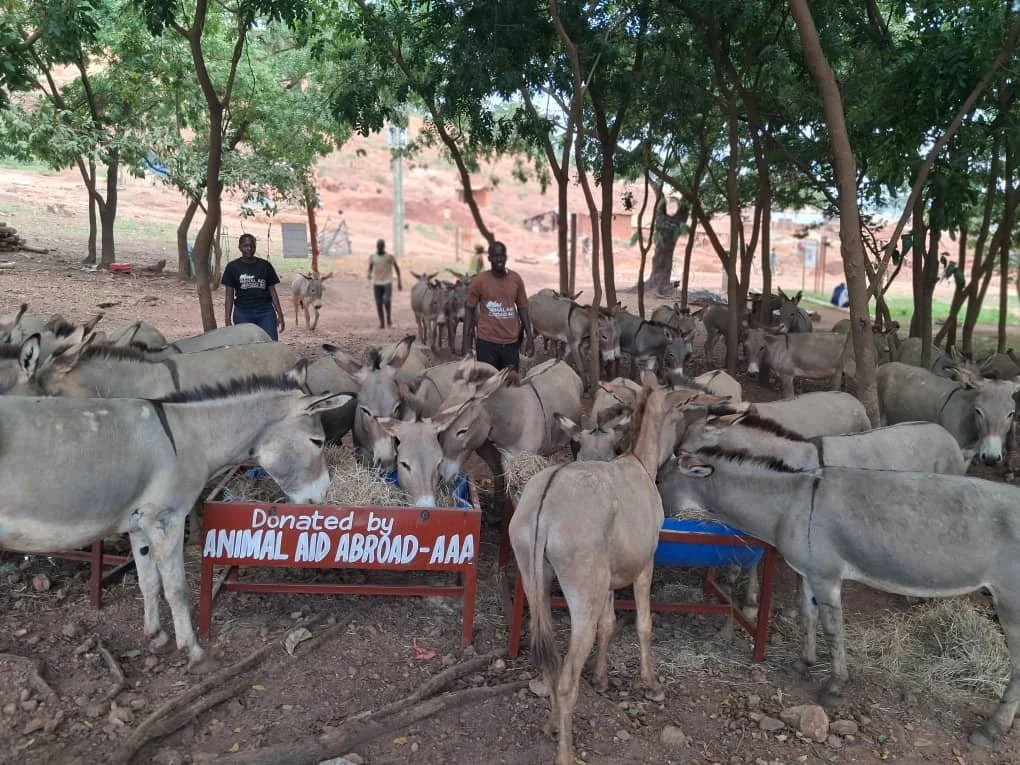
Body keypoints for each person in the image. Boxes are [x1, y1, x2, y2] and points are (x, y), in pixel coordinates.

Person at [461, 240, 534, 371]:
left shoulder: (516, 279)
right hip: (487, 344)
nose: (499, 259)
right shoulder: (479, 281)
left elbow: (522, 308)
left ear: (506, 257)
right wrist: (466, 344)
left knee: (509, 386)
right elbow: (469, 310)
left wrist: (530, 336)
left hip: (511, 343)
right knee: (488, 385)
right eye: (495, 256)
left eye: (501, 255)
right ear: (489, 258)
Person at [221, 233, 285, 340]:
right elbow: (229, 296)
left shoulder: (265, 266)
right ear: (240, 247)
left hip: (265, 312)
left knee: (270, 343)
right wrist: (227, 320)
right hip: (243, 312)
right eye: (245, 245)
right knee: (245, 345)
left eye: (252, 246)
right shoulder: (232, 267)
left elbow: (273, 292)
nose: (249, 248)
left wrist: (280, 315)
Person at [367, 238, 402, 329]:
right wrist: (369, 274)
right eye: (378, 246)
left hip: (387, 282)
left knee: (387, 300)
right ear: (376, 246)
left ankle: (389, 318)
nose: (380, 247)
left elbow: (397, 268)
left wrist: (399, 281)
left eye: (381, 246)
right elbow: (370, 267)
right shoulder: (373, 257)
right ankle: (382, 323)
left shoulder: (389, 257)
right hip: (377, 283)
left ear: (384, 246)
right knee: (378, 303)